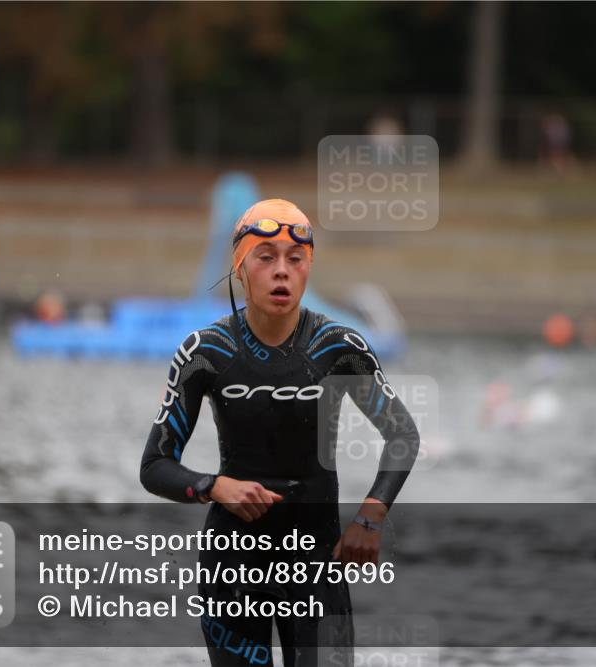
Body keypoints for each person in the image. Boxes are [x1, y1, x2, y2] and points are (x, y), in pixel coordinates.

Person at [140, 198, 420, 666]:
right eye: (265, 256)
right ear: (240, 267)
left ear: (309, 268)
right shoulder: (206, 353)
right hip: (233, 565)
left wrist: (371, 517)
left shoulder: (338, 348)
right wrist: (213, 486)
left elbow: (402, 435)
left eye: (296, 259)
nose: (282, 271)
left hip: (317, 564)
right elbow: (154, 465)